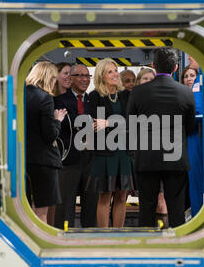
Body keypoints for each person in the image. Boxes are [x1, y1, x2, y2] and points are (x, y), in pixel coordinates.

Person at [127, 48, 196, 228]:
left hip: (147, 157)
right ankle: (176, 245)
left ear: (153, 66)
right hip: (175, 157)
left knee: (147, 207)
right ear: (175, 67)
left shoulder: (138, 92)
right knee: (176, 206)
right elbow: (190, 127)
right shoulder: (186, 92)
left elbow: (131, 124)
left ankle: (147, 246)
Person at [87, 58, 134, 228]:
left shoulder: (126, 95)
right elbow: (93, 125)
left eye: (115, 70)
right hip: (104, 154)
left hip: (124, 153)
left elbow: (133, 122)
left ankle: (118, 234)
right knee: (104, 196)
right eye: (110, 72)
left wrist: (108, 123)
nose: (115, 74)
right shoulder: (94, 97)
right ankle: (103, 235)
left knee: (122, 196)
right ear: (101, 76)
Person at [54, 64, 98, 229]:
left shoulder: (93, 100)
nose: (85, 79)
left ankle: (90, 241)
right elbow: (66, 124)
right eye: (80, 75)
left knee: (91, 204)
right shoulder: (59, 100)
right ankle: (63, 240)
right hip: (69, 160)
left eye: (87, 76)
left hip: (91, 159)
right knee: (65, 206)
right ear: (70, 78)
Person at [25, 61, 67, 226]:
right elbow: (50, 135)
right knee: (42, 210)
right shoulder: (45, 98)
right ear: (49, 78)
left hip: (23, 159)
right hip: (43, 161)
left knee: (26, 207)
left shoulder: (20, 95)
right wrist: (58, 120)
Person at [134, 67, 168, 227]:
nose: (148, 82)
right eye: (144, 79)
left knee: (161, 197)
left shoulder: (163, 100)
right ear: (138, 82)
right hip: (142, 157)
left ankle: (163, 235)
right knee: (146, 200)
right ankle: (146, 234)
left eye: (151, 79)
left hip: (162, 155)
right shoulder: (134, 101)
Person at [182, 59, 204, 218]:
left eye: (192, 75)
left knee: (197, 182)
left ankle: (198, 216)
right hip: (195, 137)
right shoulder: (203, 78)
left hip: (196, 137)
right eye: (186, 76)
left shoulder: (201, 81)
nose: (190, 58)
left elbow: (197, 113)